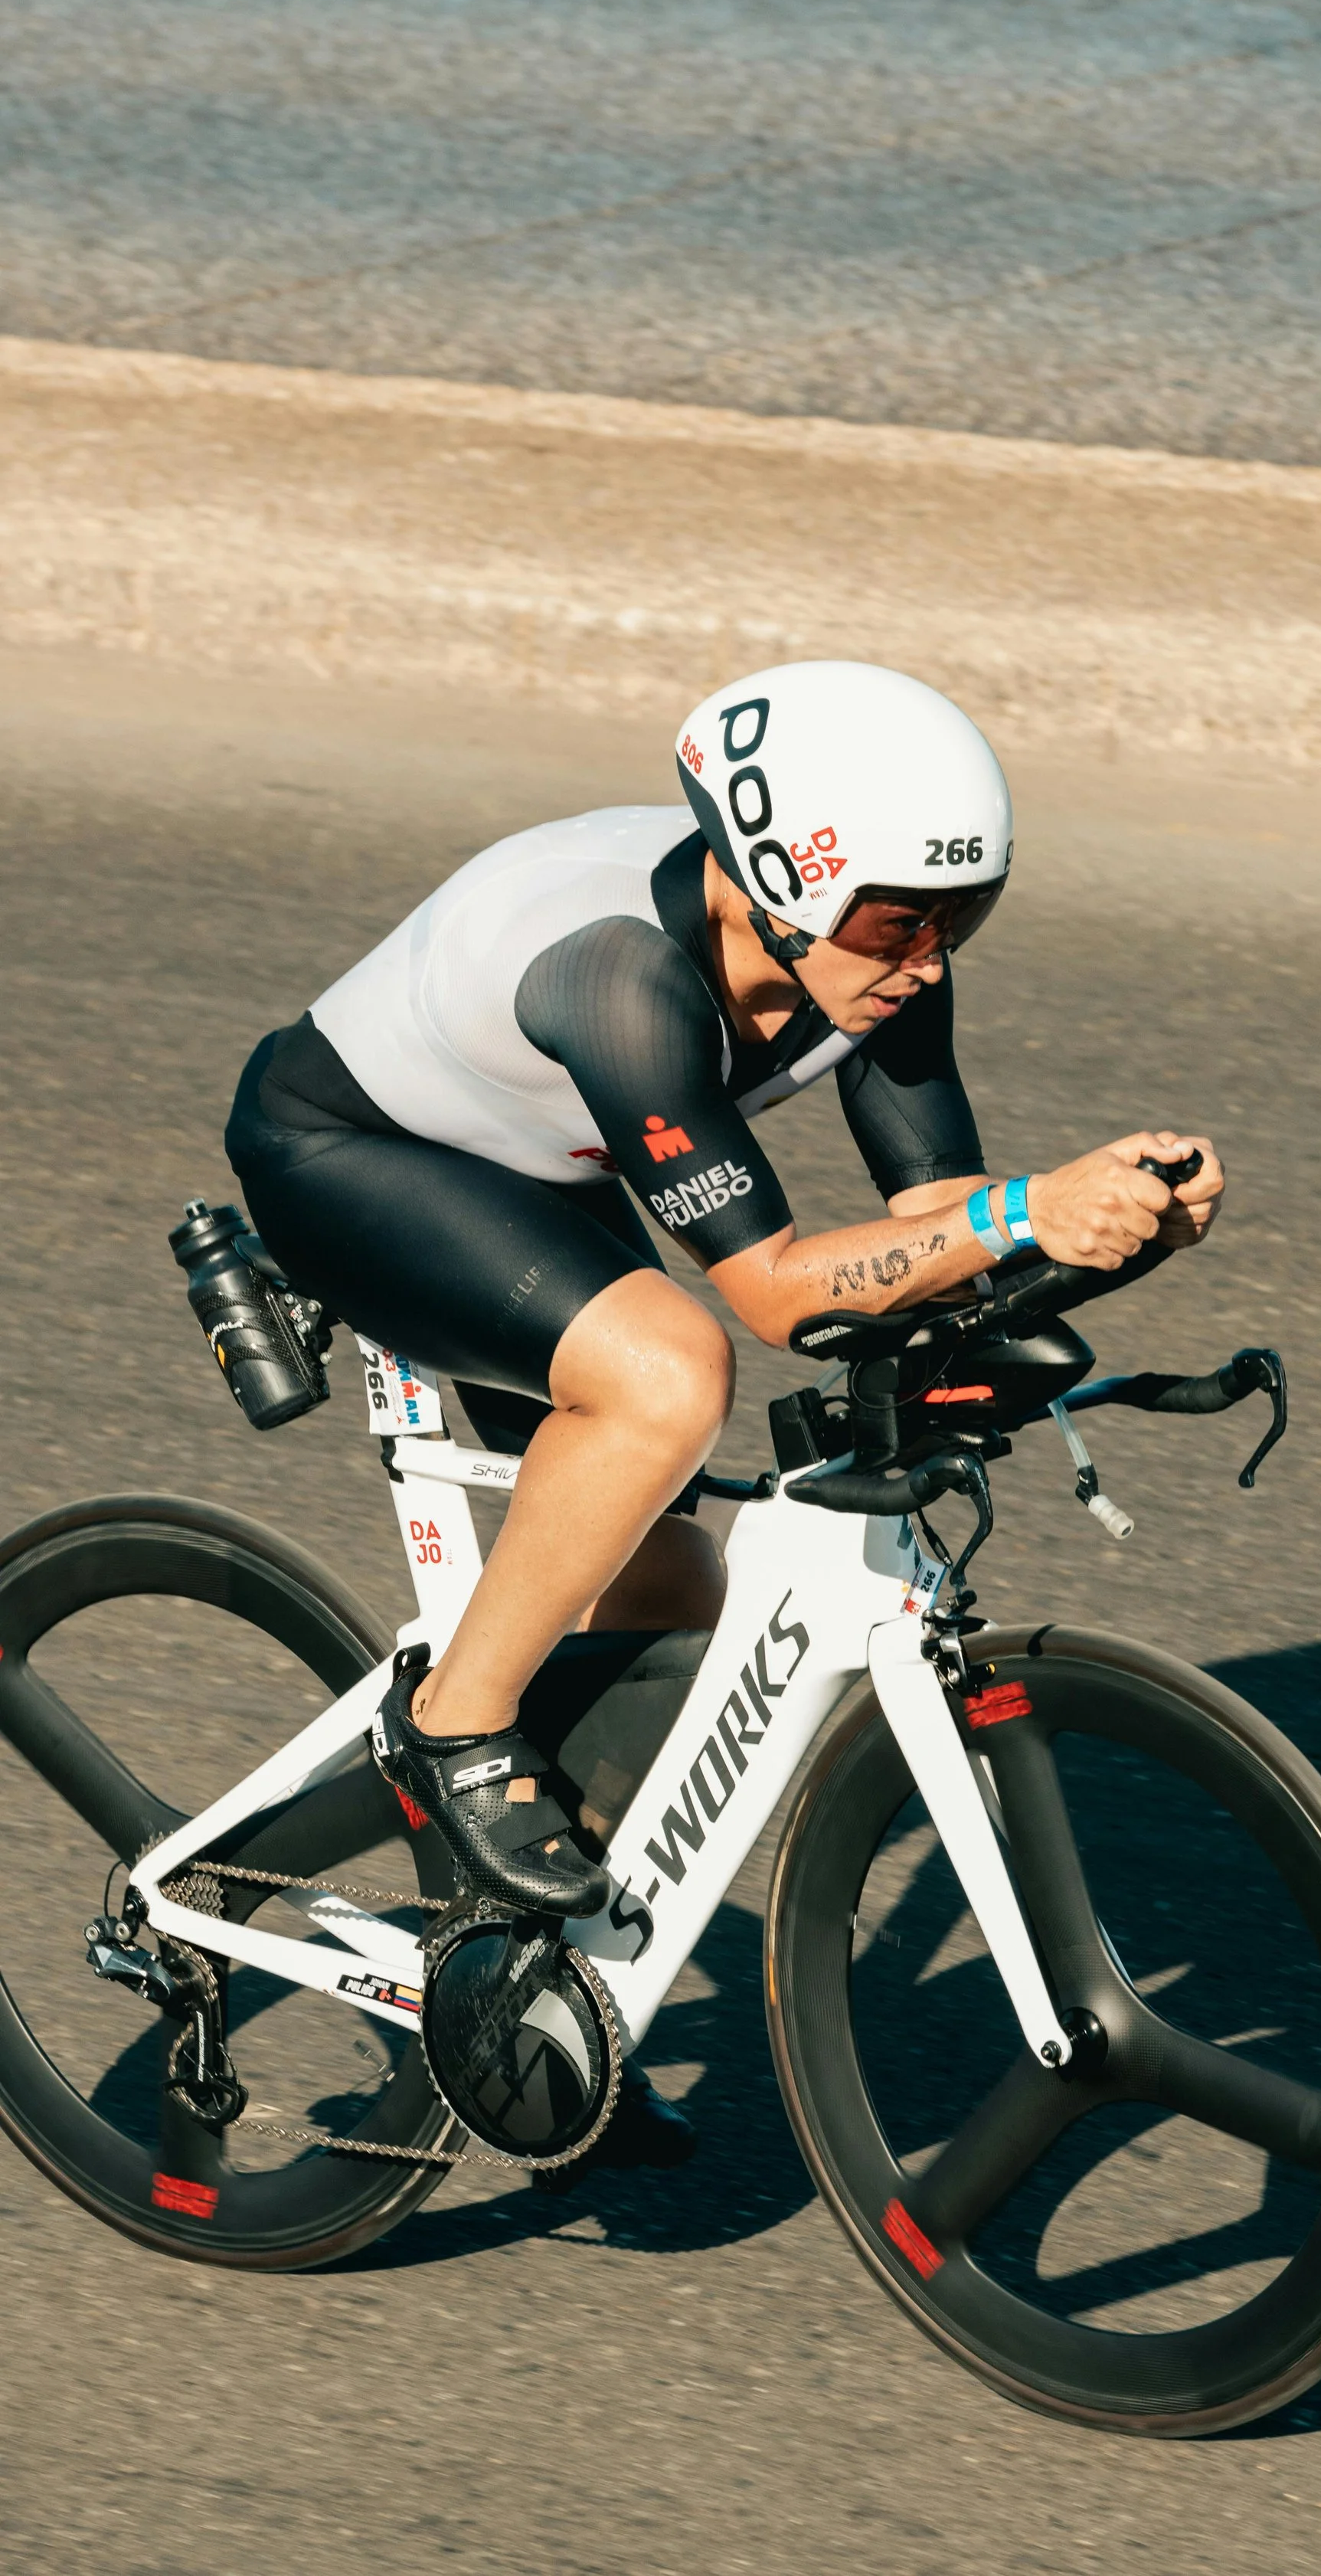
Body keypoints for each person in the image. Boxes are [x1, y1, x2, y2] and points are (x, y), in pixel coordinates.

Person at [226, 659, 1223, 1936]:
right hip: (348, 1156)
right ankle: (451, 1724)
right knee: (669, 1372)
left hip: (531, 1169)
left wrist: (1123, 1220)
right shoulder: (620, 977)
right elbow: (777, 1297)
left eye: (960, 919)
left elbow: (938, 1221)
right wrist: (1027, 1209)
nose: (926, 959)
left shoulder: (873, 956)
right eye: (897, 922)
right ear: (782, 889)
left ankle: (523, 1995)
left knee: (672, 1613)